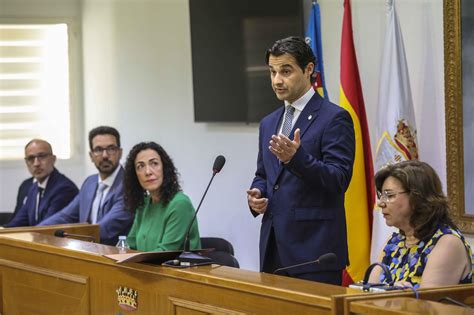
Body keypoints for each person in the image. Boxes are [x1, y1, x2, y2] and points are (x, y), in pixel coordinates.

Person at [246, 37, 355, 285]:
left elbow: (338, 179)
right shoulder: (269, 122)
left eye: (286, 71)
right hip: (274, 248)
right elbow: (264, 174)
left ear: (308, 69)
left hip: (315, 253)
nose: (277, 80)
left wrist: (297, 159)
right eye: (272, 72)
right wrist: (257, 195)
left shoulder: (334, 118)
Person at [368, 160, 472, 289]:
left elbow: (428, 305)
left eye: (389, 195)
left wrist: (395, 294)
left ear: (417, 196)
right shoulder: (394, 243)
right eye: (381, 195)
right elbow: (368, 292)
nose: (381, 203)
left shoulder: (447, 243)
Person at [40, 126, 134, 245]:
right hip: (87, 251)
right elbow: (64, 216)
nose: (105, 155)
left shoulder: (129, 185)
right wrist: (36, 231)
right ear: (91, 156)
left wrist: (71, 240)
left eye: (111, 149)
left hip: (114, 256)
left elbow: (105, 229)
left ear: (120, 153)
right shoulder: (89, 183)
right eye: (98, 150)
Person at [123, 142, 200, 252]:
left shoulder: (180, 204)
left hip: (173, 268)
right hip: (146, 267)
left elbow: (164, 252)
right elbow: (130, 245)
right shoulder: (143, 204)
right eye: (140, 166)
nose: (148, 172)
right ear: (135, 175)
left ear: (164, 168)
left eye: (154, 163)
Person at [5, 139, 78, 227]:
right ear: (26, 163)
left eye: (42, 156)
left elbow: (47, 228)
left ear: (53, 159)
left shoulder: (64, 189)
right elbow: (18, 222)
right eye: (31, 158)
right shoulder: (34, 187)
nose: (36, 163)